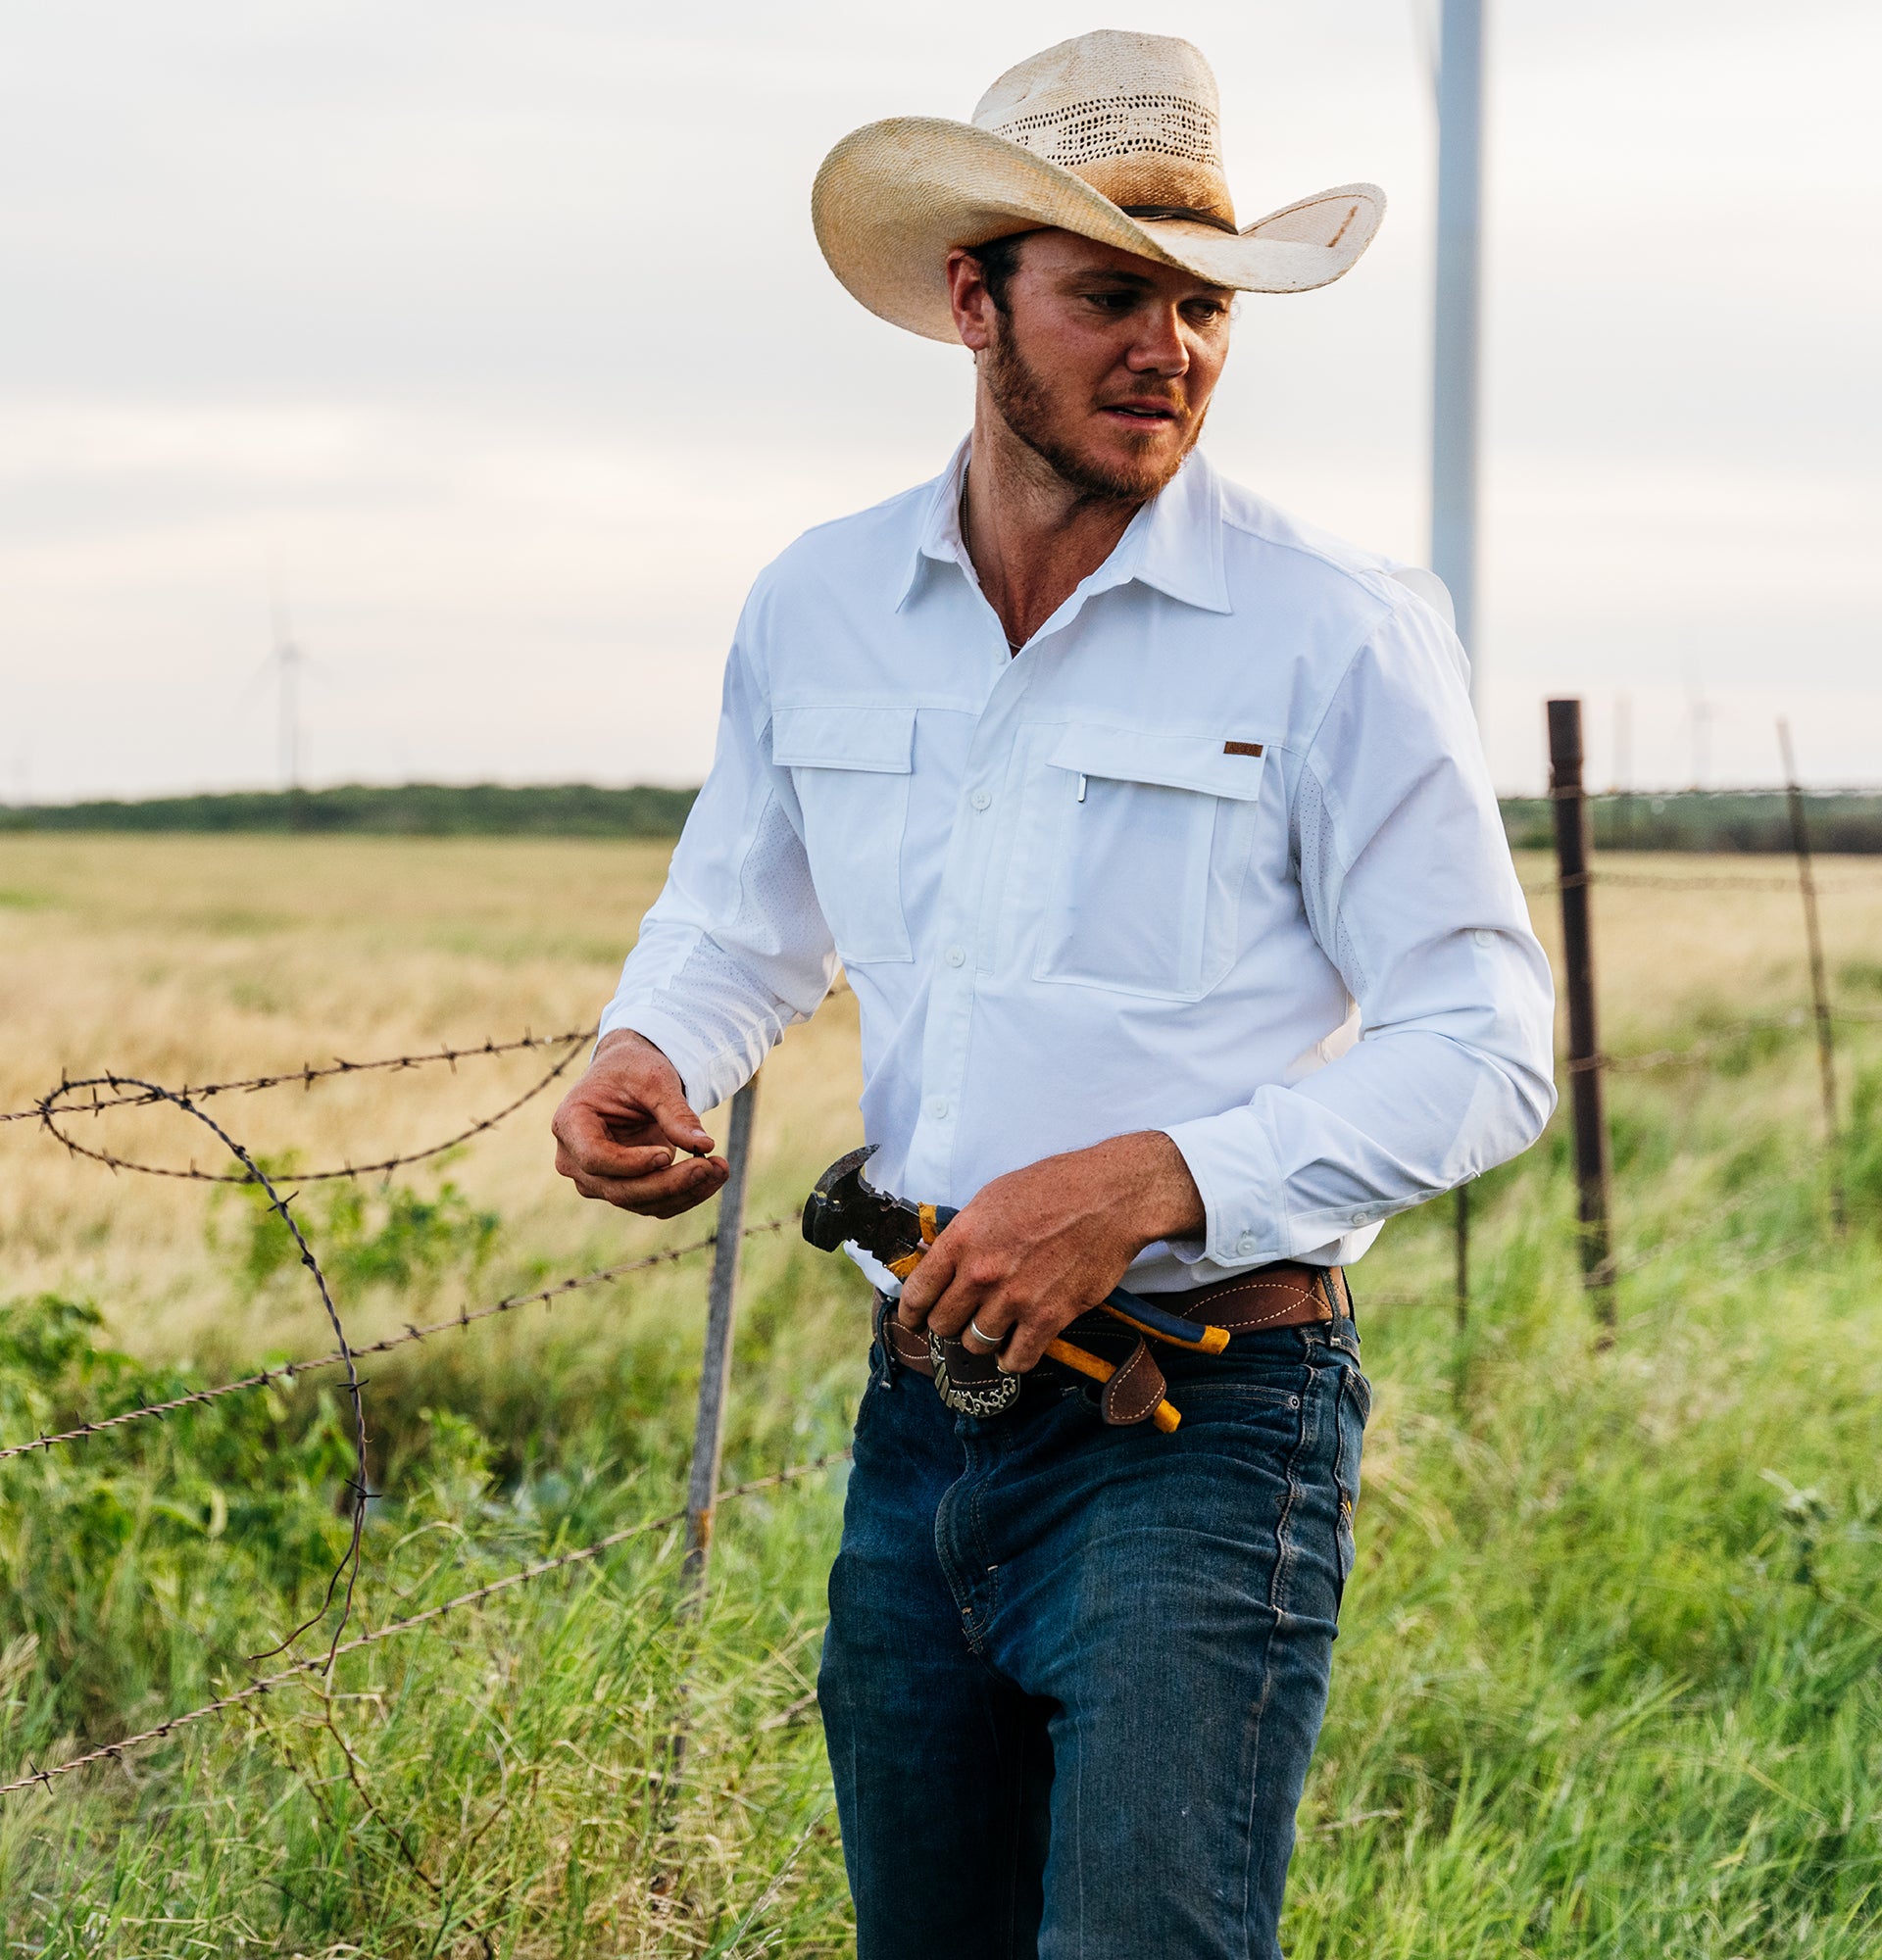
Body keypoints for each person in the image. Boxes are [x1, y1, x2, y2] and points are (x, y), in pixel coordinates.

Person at [552, 29, 1555, 1959]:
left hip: (1203, 1416)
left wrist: (1156, 1176)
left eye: (1199, 305)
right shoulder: (817, 600)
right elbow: (740, 910)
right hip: (918, 1412)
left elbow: (1486, 1038)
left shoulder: (1334, 630)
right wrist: (652, 1045)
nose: (1166, 347)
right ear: (970, 301)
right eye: (1110, 296)